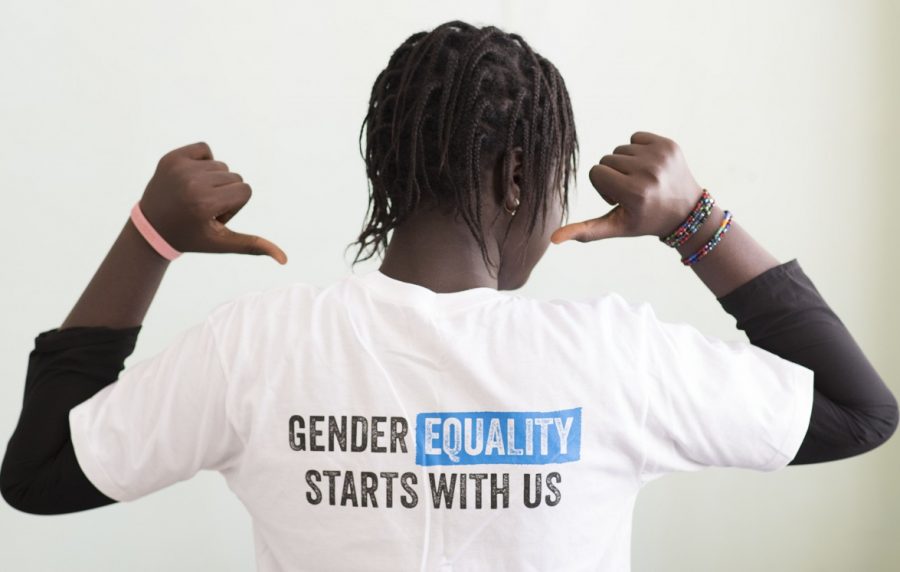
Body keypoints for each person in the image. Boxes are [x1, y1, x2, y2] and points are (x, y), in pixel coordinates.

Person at [1, 19, 896, 572]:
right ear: (517, 174)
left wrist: (147, 238)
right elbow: (862, 412)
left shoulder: (257, 349)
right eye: (552, 179)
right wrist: (695, 220)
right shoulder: (617, 359)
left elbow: (38, 475)